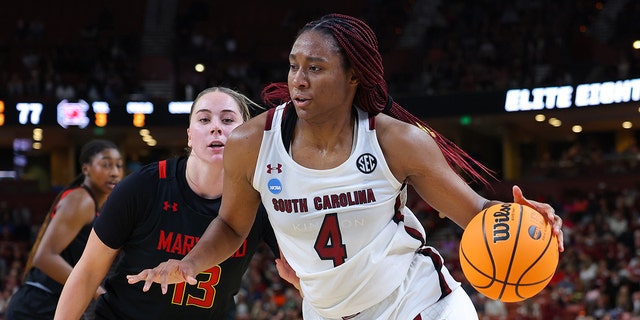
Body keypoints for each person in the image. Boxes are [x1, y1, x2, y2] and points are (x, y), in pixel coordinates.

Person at [127, 14, 565, 320]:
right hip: (325, 312)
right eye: (294, 66)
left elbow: (476, 214)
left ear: (354, 75)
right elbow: (231, 226)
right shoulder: (251, 142)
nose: (298, 79)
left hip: (417, 304)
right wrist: (188, 263)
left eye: (315, 68)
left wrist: (528, 220)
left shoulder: (397, 141)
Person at [54, 87, 282, 319]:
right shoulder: (143, 187)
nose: (216, 127)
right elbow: (88, 271)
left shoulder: (261, 198)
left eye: (227, 119)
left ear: (246, 135)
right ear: (189, 135)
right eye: (204, 119)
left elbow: (301, 268)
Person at [5, 139, 124, 320]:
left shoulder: (96, 205)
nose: (114, 172)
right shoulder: (81, 200)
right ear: (85, 169)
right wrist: (95, 290)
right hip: (39, 304)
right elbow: (44, 257)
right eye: (106, 164)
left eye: (119, 166)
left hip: (55, 303)